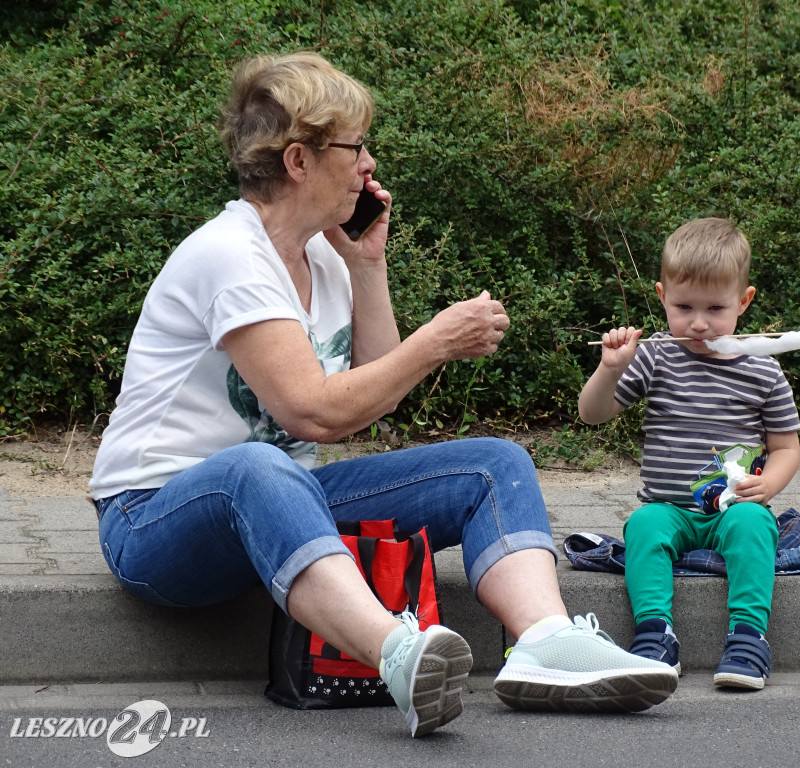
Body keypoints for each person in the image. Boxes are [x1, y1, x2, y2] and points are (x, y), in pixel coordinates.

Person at [88, 51, 678, 737]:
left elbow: (377, 390)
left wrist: (368, 267)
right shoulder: (230, 256)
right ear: (299, 160)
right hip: (153, 518)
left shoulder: (324, 257)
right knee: (258, 468)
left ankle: (544, 644)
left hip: (282, 501)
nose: (369, 164)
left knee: (493, 464)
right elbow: (314, 410)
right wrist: (436, 341)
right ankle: (398, 652)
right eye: (356, 145)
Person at [577, 217, 800, 690]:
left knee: (754, 526)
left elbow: (786, 447)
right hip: (668, 507)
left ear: (744, 301)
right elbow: (592, 414)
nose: (698, 323)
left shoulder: (763, 369)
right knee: (643, 526)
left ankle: (748, 637)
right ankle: (655, 636)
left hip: (732, 506)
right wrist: (609, 370)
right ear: (662, 296)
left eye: (716, 308)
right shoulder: (654, 356)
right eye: (683, 307)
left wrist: (772, 484)